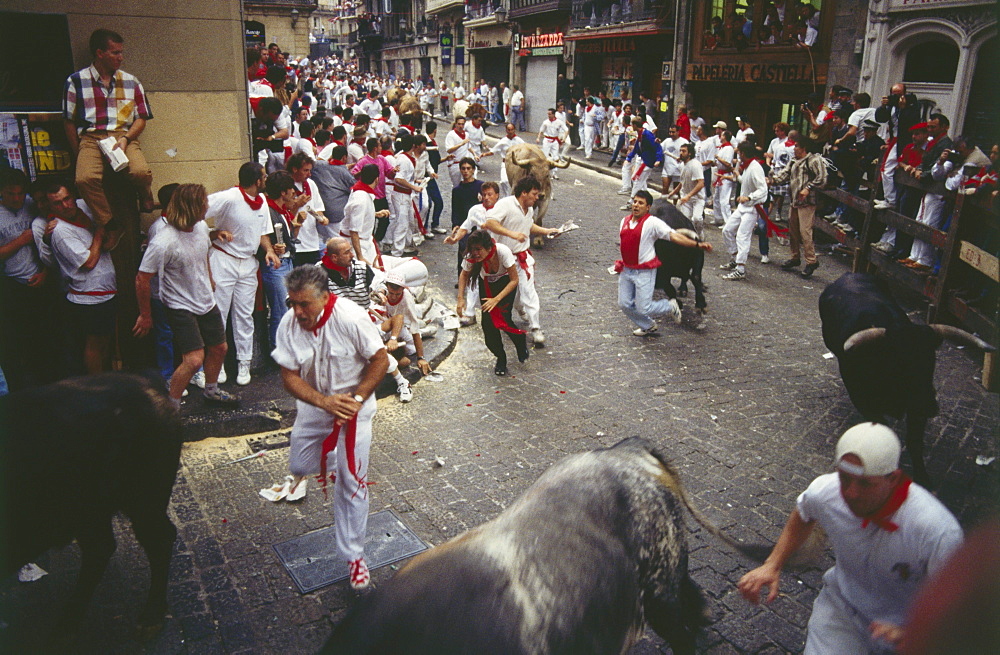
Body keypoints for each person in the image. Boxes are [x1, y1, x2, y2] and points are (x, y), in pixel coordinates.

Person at [737, 423, 963, 654]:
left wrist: (918, 633)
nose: (850, 493)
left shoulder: (936, 530)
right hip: (842, 610)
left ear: (893, 479)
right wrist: (773, 564)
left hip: (905, 630)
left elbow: (963, 604)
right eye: (844, 478)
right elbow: (804, 513)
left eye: (865, 483)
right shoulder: (826, 491)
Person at [272, 264, 390, 591]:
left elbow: (379, 360)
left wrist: (355, 399)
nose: (297, 311)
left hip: (356, 407)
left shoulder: (351, 318)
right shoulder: (288, 324)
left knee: (352, 482)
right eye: (292, 303)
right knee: (299, 466)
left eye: (304, 304)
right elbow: (289, 377)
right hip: (314, 406)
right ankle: (333, 460)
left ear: (325, 297)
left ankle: (354, 557)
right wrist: (325, 403)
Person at [134, 184, 238, 407]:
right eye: (204, 204)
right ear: (191, 208)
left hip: (205, 300)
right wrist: (145, 315)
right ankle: (170, 407)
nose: (207, 207)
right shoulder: (163, 242)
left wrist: (209, 279)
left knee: (220, 348)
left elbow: (202, 254)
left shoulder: (200, 227)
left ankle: (211, 391)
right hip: (179, 304)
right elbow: (142, 279)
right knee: (193, 359)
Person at [63, 29, 155, 248]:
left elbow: (142, 118)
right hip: (91, 137)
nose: (120, 57)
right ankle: (111, 225)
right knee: (84, 179)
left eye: (121, 52)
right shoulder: (76, 81)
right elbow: (68, 121)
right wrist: (81, 154)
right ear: (99, 53)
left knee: (140, 172)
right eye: (115, 53)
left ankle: (146, 195)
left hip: (123, 135)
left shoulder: (131, 82)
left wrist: (125, 139)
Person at [194, 163, 276, 387]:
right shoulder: (230, 197)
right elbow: (196, 210)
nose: (266, 179)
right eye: (264, 176)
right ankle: (216, 365)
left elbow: (262, 232)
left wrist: (268, 250)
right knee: (218, 314)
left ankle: (244, 363)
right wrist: (212, 232)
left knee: (244, 316)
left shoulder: (262, 203)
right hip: (224, 260)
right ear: (257, 180)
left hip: (248, 264)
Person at [615, 191, 711, 336]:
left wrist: (697, 245)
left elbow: (674, 236)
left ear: (648, 207)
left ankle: (670, 305)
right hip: (627, 269)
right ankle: (647, 325)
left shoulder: (653, 223)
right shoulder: (624, 221)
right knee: (624, 304)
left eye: (640, 203)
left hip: (644, 271)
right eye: (634, 201)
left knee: (644, 308)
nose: (636, 205)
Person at [46, 181, 117, 374]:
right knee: (93, 345)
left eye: (67, 199)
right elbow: (88, 262)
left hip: (105, 292)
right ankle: (98, 388)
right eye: (57, 203)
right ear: (50, 207)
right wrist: (100, 234)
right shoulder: (60, 231)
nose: (65, 205)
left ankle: (104, 380)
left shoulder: (85, 206)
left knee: (104, 341)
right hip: (88, 296)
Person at [481, 177, 559, 347]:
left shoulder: (529, 208)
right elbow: (490, 223)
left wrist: (547, 231)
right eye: (534, 194)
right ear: (524, 193)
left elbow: (528, 225)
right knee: (511, 293)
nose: (537, 197)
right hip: (504, 259)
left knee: (528, 290)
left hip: (523, 257)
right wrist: (511, 234)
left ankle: (536, 327)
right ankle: (518, 310)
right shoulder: (506, 204)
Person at [456, 229, 529, 376]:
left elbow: (515, 280)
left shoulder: (503, 251)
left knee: (504, 319)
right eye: (473, 249)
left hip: (506, 284)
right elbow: (464, 275)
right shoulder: (471, 256)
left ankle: (519, 340)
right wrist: (460, 299)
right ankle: (500, 357)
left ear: (488, 247)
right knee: (488, 326)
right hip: (487, 284)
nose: (475, 253)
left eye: (478, 249)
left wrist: (496, 299)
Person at [0, 168, 47, 391]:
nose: (17, 198)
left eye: (20, 193)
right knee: (16, 340)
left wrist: (46, 272)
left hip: (40, 280)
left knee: (43, 336)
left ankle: (45, 383)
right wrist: (22, 240)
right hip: (12, 285)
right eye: (11, 194)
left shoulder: (31, 204)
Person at [770, 135, 828, 279]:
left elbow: (822, 178)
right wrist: (772, 180)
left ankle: (811, 261)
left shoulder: (813, 160)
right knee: (794, 230)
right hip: (795, 200)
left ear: (803, 148)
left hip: (807, 202)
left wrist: (808, 188)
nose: (794, 148)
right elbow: (784, 175)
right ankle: (795, 257)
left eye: (796, 146)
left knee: (805, 231)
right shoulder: (794, 160)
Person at [261, 170, 299, 351]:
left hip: (286, 263)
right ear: (283, 192)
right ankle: (278, 350)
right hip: (276, 267)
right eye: (291, 189)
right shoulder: (269, 212)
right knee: (280, 310)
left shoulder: (280, 210)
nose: (294, 192)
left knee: (286, 309)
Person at [720, 141, 768, 281]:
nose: (738, 155)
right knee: (727, 230)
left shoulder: (755, 168)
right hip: (743, 207)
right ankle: (735, 258)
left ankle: (740, 269)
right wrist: (738, 176)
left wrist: (748, 197)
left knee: (742, 236)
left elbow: (763, 189)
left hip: (752, 208)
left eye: (739, 152)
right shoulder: (747, 167)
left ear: (743, 153)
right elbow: (746, 183)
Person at [341, 164, 390, 269]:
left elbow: (356, 214)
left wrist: (374, 214)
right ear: (377, 179)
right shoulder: (361, 199)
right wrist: (360, 257)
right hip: (358, 245)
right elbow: (354, 231)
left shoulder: (360, 191)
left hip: (364, 242)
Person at [287, 153, 330, 267]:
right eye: (305, 170)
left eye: (310, 170)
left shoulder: (311, 184)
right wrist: (297, 205)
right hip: (294, 244)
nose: (309, 174)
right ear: (295, 169)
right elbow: (282, 215)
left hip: (312, 242)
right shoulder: (285, 185)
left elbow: (319, 208)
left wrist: (321, 218)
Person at [622, 116, 664, 210]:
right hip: (643, 159)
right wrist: (629, 157)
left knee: (637, 180)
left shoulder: (647, 135)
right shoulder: (641, 134)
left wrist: (658, 159)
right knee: (637, 180)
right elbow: (637, 146)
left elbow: (657, 146)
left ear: (635, 125)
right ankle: (646, 201)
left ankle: (632, 201)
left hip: (647, 161)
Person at [667, 143, 706, 236]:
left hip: (697, 198)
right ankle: (690, 239)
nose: (681, 153)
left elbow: (701, 183)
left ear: (689, 153)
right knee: (685, 220)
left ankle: (700, 233)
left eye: (683, 151)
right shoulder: (682, 165)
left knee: (697, 219)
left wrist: (689, 196)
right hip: (685, 197)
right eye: (680, 150)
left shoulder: (695, 165)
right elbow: (682, 182)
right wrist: (673, 192)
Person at [445, 117, 476, 188]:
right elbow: (449, 150)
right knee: (457, 186)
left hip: (465, 163)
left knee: (468, 184)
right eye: (459, 124)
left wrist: (474, 155)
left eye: (462, 124)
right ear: (455, 124)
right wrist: (461, 144)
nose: (461, 126)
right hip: (455, 164)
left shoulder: (467, 134)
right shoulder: (451, 134)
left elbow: (468, 147)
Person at [536, 110, 567, 179]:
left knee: (555, 156)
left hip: (555, 140)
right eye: (548, 114)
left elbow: (566, 130)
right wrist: (538, 138)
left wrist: (564, 138)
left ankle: (554, 173)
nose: (548, 115)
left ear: (553, 114)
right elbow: (541, 131)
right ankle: (545, 172)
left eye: (550, 114)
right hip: (547, 140)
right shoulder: (546, 122)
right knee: (545, 156)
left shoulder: (559, 122)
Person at [660, 124, 690, 191]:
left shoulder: (684, 141)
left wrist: (682, 158)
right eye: (670, 132)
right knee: (664, 188)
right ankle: (664, 201)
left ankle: (675, 201)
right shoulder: (666, 141)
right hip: (667, 168)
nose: (671, 134)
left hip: (678, 170)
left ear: (678, 132)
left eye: (673, 132)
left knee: (676, 191)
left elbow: (689, 154)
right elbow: (659, 150)